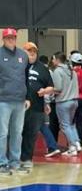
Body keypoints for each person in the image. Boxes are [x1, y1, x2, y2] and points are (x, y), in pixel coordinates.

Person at [19, 41, 54, 173]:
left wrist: (45, 93)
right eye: (29, 51)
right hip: (18, 105)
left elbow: (51, 86)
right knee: (16, 133)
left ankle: (26, 159)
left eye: (33, 52)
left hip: (36, 107)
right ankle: (13, 158)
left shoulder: (42, 68)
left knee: (31, 134)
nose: (31, 54)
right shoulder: (18, 65)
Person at [0, 27, 29, 175]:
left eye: (13, 37)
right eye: (8, 38)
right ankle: (2, 163)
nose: (11, 40)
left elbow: (26, 78)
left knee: (17, 132)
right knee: (3, 133)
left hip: (19, 100)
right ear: (3, 39)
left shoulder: (23, 56)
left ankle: (15, 162)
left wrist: (27, 97)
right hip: (3, 100)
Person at [50, 51, 82, 157]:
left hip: (63, 102)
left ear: (57, 59)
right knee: (71, 124)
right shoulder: (72, 71)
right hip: (74, 101)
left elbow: (58, 88)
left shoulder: (57, 71)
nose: (52, 61)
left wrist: (48, 90)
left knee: (65, 125)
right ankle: (77, 143)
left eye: (53, 58)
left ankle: (72, 147)